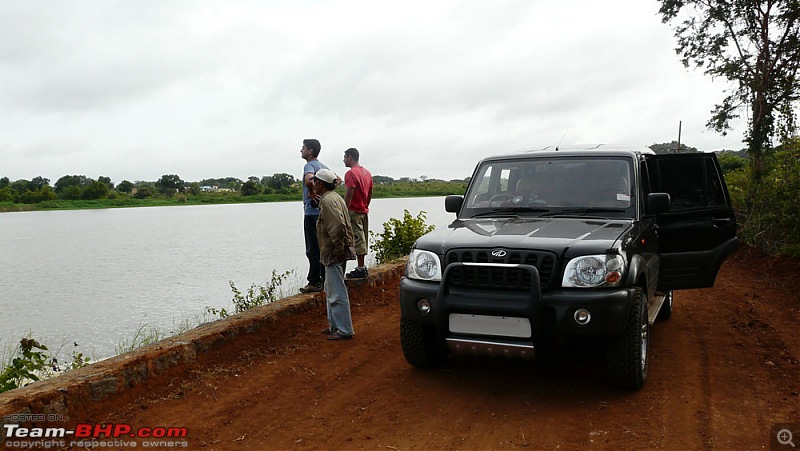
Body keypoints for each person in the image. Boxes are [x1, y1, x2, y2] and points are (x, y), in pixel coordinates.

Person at [312, 168, 357, 340]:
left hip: (333, 252)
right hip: (336, 250)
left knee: (336, 291)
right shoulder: (334, 198)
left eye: (316, 181)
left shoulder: (328, 201)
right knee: (331, 288)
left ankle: (344, 329)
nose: (314, 184)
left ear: (321, 184)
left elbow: (336, 227)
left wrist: (337, 250)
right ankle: (335, 326)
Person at [299, 139, 328, 293]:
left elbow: (309, 179)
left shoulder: (309, 166)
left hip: (311, 213)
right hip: (322, 212)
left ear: (310, 151)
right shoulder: (324, 167)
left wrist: (311, 191)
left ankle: (314, 281)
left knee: (312, 248)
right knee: (322, 246)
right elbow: (337, 180)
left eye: (303, 148)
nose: (301, 150)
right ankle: (324, 279)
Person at [342, 147, 373, 279]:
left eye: (344, 157)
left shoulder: (350, 174)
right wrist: (366, 205)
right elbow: (370, 192)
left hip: (354, 210)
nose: (343, 160)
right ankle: (361, 266)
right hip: (363, 209)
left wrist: (344, 210)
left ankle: (360, 268)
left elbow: (349, 193)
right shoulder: (367, 173)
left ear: (350, 157)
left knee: (357, 238)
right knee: (363, 237)